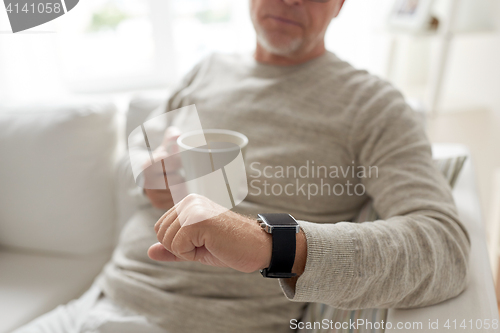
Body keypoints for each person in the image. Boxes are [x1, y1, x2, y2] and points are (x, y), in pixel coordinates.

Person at [14, 0, 470, 332]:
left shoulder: (373, 105)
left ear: (341, 5)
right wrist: (154, 180)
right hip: (96, 303)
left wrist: (270, 243)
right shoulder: (204, 71)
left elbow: (443, 247)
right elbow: (149, 177)